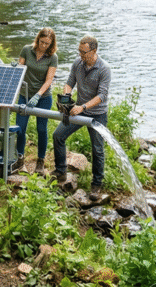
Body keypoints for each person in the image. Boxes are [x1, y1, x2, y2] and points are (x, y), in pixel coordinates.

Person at [52, 35, 111, 196]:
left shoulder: (104, 68)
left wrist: (83, 106)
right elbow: (70, 82)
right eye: (79, 51)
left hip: (97, 114)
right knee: (58, 135)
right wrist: (66, 96)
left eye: (84, 53)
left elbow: (102, 96)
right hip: (78, 110)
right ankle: (60, 171)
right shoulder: (78, 63)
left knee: (97, 149)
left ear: (94, 51)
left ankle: (96, 185)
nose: (81, 56)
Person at [15, 28, 59, 175]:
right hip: (25, 94)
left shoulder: (53, 57)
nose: (44, 45)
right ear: (38, 39)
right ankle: (20, 158)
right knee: (20, 128)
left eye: (47, 43)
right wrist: (16, 67)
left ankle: (40, 162)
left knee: (41, 129)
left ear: (51, 43)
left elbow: (49, 80)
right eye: (42, 42)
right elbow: (20, 68)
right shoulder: (27, 50)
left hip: (43, 97)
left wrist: (38, 95)